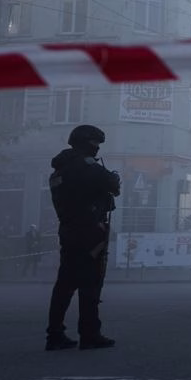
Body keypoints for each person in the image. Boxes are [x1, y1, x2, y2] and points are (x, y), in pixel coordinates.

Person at [45, 124, 120, 351]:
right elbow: (112, 183)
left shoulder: (58, 172)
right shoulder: (86, 166)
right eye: (95, 143)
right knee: (91, 284)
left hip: (68, 232)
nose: (97, 148)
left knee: (64, 285)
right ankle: (89, 334)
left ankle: (54, 334)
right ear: (86, 143)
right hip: (90, 232)